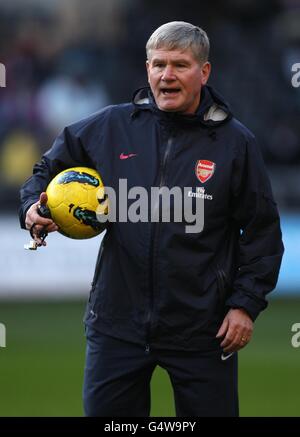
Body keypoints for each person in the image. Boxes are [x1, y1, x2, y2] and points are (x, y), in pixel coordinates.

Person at [19, 21, 284, 417]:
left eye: (180, 65)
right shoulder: (111, 126)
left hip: (203, 330)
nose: (167, 75)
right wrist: (32, 209)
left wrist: (244, 306)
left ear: (204, 72)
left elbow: (263, 234)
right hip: (116, 325)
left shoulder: (235, 143)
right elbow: (45, 169)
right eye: (158, 64)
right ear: (147, 70)